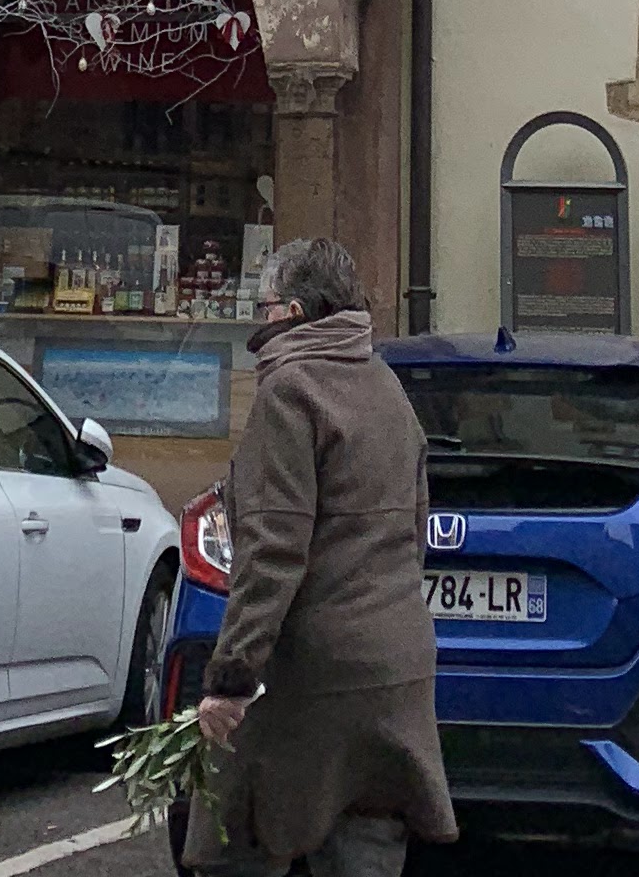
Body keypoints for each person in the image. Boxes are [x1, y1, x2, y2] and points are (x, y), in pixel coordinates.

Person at [190, 238, 456, 877]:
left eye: (265, 306)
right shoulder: (386, 385)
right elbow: (415, 528)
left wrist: (232, 680)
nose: (258, 321)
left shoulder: (289, 392)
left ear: (294, 312)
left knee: (238, 835)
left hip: (313, 670)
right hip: (396, 666)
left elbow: (272, 551)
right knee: (365, 840)